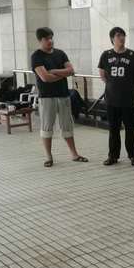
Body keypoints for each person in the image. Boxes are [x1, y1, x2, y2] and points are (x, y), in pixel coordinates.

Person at [31, 27, 88, 167]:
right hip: (46, 97)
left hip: (63, 95)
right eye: (47, 39)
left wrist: (54, 71)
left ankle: (74, 154)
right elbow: (45, 78)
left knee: (67, 125)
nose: (50, 41)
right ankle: (49, 157)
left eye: (51, 38)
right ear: (40, 40)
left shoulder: (60, 53)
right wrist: (63, 74)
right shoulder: (36, 56)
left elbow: (71, 70)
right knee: (47, 127)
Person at [98, 27, 134, 166]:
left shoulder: (133, 56)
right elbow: (103, 75)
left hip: (129, 100)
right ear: (112, 39)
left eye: (123, 35)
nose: (121, 38)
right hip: (112, 100)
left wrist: (125, 86)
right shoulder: (106, 55)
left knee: (131, 129)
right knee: (113, 129)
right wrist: (114, 86)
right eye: (118, 35)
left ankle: (133, 156)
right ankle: (113, 156)